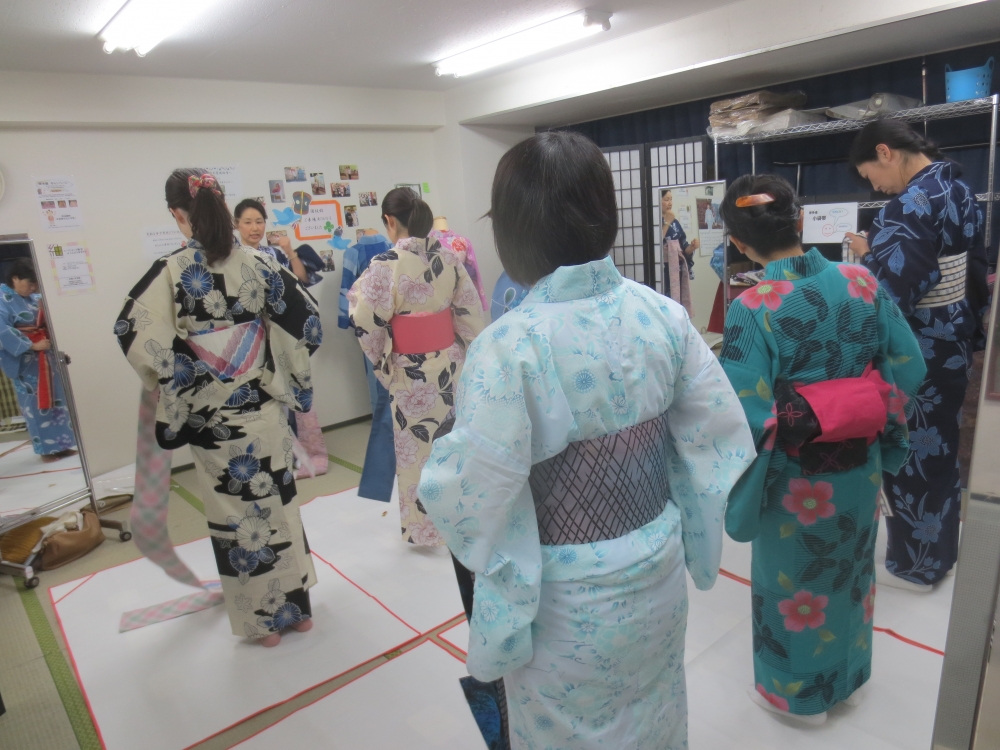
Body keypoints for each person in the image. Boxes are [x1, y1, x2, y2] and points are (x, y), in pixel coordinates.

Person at [418, 131, 755, 748]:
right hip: (656, 566)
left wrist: (443, 459)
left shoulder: (509, 345)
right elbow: (717, 438)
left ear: (513, 233)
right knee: (655, 709)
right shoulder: (663, 315)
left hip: (566, 599)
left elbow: (470, 493)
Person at [719, 174, 925, 723]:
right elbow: (910, 365)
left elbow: (745, 416)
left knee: (794, 583)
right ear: (802, 220)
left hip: (794, 480)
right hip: (860, 470)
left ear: (738, 244)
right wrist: (864, 411)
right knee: (852, 574)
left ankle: (798, 699)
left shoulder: (751, 308)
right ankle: (850, 679)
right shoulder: (861, 281)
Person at [114, 169, 321, 646]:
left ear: (176, 214)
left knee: (238, 516)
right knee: (277, 501)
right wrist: (285, 375)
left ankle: (262, 623)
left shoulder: (171, 270)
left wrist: (187, 376)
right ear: (222, 208)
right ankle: (298, 610)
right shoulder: (259, 260)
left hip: (213, 418)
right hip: (262, 404)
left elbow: (131, 329)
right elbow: (304, 321)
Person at [845, 120, 988, 591]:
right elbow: (976, 266)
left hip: (918, 348)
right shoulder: (960, 187)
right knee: (943, 448)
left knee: (912, 454)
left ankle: (917, 564)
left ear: (886, 152)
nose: (876, 186)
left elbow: (892, 291)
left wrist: (867, 258)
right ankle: (941, 553)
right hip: (954, 334)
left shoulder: (905, 207)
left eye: (870, 175)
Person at [348, 188, 484, 546]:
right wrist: (469, 356)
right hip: (450, 366)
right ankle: (463, 517)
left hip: (411, 372)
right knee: (453, 443)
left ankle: (427, 530)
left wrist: (384, 366)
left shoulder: (385, 264)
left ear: (390, 222)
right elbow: (470, 313)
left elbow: (365, 321)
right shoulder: (450, 258)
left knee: (416, 450)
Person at [234, 198, 327, 479]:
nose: (254, 227)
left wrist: (289, 250)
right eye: (248, 222)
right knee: (258, 398)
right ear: (236, 225)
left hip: (280, 331)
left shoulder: (273, 253)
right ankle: (268, 459)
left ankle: (302, 455)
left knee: (290, 393)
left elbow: (300, 281)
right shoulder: (231, 256)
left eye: (259, 221)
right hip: (249, 336)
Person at [338, 229, 396, 502]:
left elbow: (348, 290)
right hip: (403, 331)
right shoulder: (392, 249)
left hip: (371, 328)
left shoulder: (355, 252)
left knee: (379, 390)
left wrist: (346, 321)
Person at [0, 258, 77, 461]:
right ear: (15, 279)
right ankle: (46, 450)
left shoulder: (36, 297)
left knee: (58, 401)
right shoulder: (2, 297)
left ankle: (63, 444)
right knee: (35, 405)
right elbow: (2, 330)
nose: (32, 288)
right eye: (29, 283)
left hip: (47, 357)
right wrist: (31, 345)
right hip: (25, 362)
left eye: (35, 284)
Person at [661, 188, 699, 315]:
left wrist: (692, 247)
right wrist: (666, 222)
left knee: (679, 303)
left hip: (677, 269)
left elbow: (684, 247)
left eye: (671, 199)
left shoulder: (675, 222)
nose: (670, 203)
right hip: (663, 271)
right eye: (666, 199)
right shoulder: (654, 221)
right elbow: (656, 243)